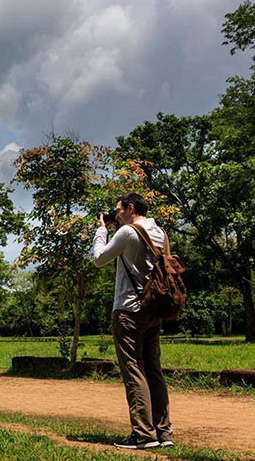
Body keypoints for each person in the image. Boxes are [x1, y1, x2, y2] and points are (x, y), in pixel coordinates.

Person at [94, 193, 172, 450]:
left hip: (128, 310)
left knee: (133, 369)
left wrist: (100, 231)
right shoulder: (160, 231)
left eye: (118, 210)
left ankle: (143, 434)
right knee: (153, 369)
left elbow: (99, 260)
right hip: (153, 308)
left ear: (130, 208)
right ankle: (163, 432)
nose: (115, 214)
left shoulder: (127, 232)